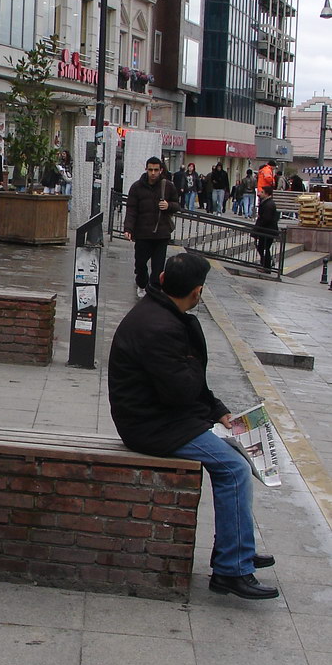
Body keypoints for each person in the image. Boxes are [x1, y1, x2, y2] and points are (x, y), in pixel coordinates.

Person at [108, 251, 278, 600]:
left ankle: (236, 550)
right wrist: (206, 413)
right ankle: (231, 571)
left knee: (239, 455)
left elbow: (189, 384)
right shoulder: (159, 327)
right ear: (197, 292)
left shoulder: (166, 314)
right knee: (232, 469)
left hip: (164, 415)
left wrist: (218, 413)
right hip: (150, 423)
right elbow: (181, 391)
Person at [123, 156, 179, 297]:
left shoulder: (168, 186)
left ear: (160, 170)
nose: (153, 173)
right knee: (140, 264)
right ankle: (142, 284)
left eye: (155, 170)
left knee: (158, 267)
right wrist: (128, 228)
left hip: (161, 234)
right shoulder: (137, 187)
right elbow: (131, 209)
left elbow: (177, 205)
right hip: (143, 233)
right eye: (150, 170)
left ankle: (153, 291)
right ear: (146, 170)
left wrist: (169, 205)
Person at [253, 185, 280, 272]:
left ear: (267, 194)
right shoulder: (266, 202)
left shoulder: (268, 204)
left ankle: (266, 266)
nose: (259, 194)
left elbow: (266, 219)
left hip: (267, 231)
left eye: (262, 192)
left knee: (263, 248)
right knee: (262, 247)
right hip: (266, 230)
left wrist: (258, 228)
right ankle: (265, 264)